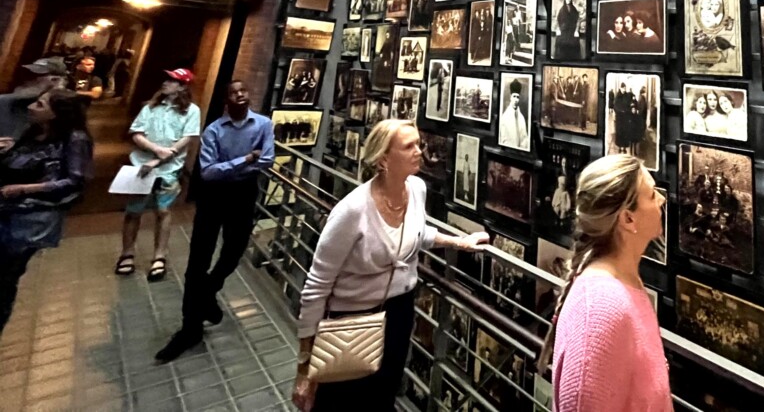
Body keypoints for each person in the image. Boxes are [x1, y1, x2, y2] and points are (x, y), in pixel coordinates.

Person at [291, 121, 488, 411]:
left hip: (398, 312)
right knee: (340, 401)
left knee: (383, 395)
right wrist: (304, 365)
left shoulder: (417, 189)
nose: (419, 152)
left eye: (418, 144)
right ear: (383, 159)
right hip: (352, 318)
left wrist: (461, 242)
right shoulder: (352, 210)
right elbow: (316, 286)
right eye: (409, 146)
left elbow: (418, 234)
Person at [537, 155, 671, 412]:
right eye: (653, 195)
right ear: (627, 219)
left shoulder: (623, 283)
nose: (662, 200)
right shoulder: (601, 309)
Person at [157, 80, 275, 361]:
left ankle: (208, 292)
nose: (241, 94)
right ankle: (190, 327)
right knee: (199, 258)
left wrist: (232, 167)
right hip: (213, 197)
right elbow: (208, 173)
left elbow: (267, 160)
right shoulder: (213, 130)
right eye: (234, 92)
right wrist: (245, 160)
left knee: (234, 252)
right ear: (227, 99)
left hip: (244, 195)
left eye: (243, 90)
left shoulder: (263, 125)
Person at [0, 88, 92, 336]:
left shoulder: (75, 138)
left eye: (40, 105)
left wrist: (25, 189)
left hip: (29, 219)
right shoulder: (33, 132)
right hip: (7, 211)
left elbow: (74, 181)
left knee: (5, 278)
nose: (31, 107)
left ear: (55, 114)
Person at [116, 70, 201, 281]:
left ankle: (159, 256)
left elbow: (186, 140)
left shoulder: (191, 111)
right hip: (141, 166)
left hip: (168, 169)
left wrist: (159, 159)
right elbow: (136, 133)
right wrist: (154, 149)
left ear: (182, 86)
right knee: (133, 210)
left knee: (163, 211)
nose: (166, 83)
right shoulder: (151, 107)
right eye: (166, 79)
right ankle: (127, 253)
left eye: (172, 81)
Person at [0, 58, 68, 138]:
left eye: (36, 75)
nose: (27, 79)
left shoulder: (62, 111)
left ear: (55, 80)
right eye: (28, 74)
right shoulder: (4, 102)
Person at [499, 84, 530, 151]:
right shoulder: (504, 117)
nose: (516, 100)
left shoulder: (521, 118)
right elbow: (503, 139)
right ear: (510, 97)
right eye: (514, 96)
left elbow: (524, 139)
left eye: (517, 97)